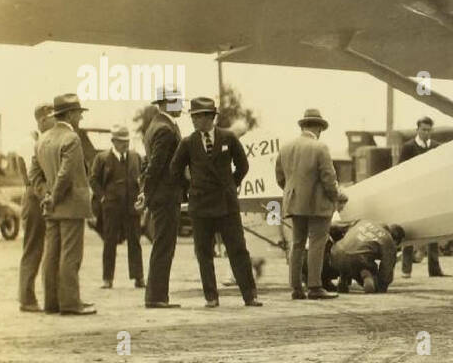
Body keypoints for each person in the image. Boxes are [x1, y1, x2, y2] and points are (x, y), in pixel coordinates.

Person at [170, 96, 260, 308]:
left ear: (209, 117)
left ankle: (250, 295)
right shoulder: (188, 142)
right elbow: (174, 171)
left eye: (197, 117)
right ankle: (211, 297)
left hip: (226, 205)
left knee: (238, 249)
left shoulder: (228, 138)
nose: (193, 121)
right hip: (200, 206)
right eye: (192, 117)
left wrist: (231, 185)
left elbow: (243, 166)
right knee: (204, 253)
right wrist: (190, 189)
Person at [29, 94, 95, 315]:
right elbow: (66, 174)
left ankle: (52, 302)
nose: (80, 118)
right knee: (70, 255)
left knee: (52, 254)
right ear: (69, 114)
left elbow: (34, 175)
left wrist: (46, 195)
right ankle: (70, 303)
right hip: (71, 205)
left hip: (52, 207)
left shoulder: (43, 139)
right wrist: (55, 196)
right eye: (78, 114)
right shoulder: (71, 139)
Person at [277, 108, 348, 300]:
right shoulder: (320, 148)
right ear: (318, 128)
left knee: (297, 243)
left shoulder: (285, 147)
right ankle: (315, 286)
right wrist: (336, 196)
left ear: (303, 126)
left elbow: (280, 177)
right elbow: (328, 178)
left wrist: (294, 193)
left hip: (294, 202)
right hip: (318, 205)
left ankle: (295, 288)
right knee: (317, 242)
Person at [138, 89, 186, 308]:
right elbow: (156, 165)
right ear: (167, 103)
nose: (181, 106)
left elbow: (149, 164)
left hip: (161, 194)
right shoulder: (166, 129)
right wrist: (146, 193)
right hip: (166, 195)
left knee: (162, 244)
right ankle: (157, 296)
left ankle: (157, 295)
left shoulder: (154, 126)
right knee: (164, 246)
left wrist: (145, 192)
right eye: (178, 102)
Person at [90, 123, 145, 290]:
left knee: (135, 241)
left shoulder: (136, 157)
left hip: (131, 207)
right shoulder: (102, 158)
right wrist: (103, 197)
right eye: (121, 141)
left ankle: (139, 277)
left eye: (127, 141)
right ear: (113, 141)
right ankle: (107, 279)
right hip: (111, 207)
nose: (125, 144)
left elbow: (142, 178)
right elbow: (93, 180)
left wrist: (141, 194)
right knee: (109, 242)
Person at [16, 103, 55, 311]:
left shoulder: (40, 140)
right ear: (41, 120)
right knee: (33, 247)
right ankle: (27, 297)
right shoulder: (29, 142)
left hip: (39, 194)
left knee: (42, 247)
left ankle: (31, 296)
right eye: (50, 119)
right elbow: (33, 175)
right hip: (34, 195)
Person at [399, 116, 447, 279]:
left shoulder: (437, 147)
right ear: (417, 130)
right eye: (423, 129)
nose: (426, 132)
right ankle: (406, 269)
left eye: (429, 130)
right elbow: (400, 171)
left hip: (431, 194)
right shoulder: (408, 148)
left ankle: (434, 269)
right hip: (412, 195)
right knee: (409, 230)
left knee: (433, 230)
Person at [329, 219, 403, 293]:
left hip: (335, 254)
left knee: (347, 256)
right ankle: (367, 276)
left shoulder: (363, 221)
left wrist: (337, 241)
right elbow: (386, 269)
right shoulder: (388, 240)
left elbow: (334, 226)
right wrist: (381, 287)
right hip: (358, 260)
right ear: (395, 240)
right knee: (366, 265)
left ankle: (343, 276)